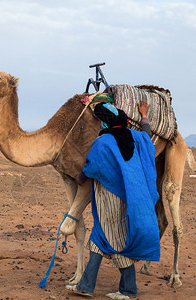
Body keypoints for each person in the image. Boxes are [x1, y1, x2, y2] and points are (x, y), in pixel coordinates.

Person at [66, 101, 160, 299]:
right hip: (129, 199)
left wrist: (78, 178)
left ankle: (129, 290)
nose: (100, 125)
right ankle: (86, 286)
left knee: (116, 241)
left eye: (101, 121)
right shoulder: (137, 137)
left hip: (110, 199)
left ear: (105, 123)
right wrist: (144, 115)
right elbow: (148, 137)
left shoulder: (103, 143)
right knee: (98, 240)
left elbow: (92, 168)